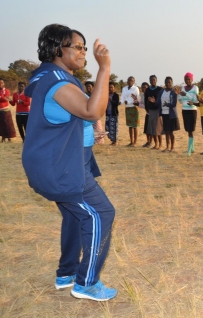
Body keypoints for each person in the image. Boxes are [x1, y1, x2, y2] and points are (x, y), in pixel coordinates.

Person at [22, 24, 116, 301]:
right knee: (102, 213)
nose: (84, 52)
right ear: (56, 49)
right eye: (77, 46)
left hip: (69, 160)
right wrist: (104, 68)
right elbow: (91, 108)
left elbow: (78, 114)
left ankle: (67, 273)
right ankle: (86, 283)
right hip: (61, 166)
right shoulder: (58, 81)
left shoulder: (50, 76)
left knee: (76, 216)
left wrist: (93, 129)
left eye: (85, 47)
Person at [151, 76, 178, 152]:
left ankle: (172, 147)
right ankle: (167, 147)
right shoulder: (161, 92)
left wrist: (167, 104)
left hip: (171, 114)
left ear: (172, 83)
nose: (167, 84)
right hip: (164, 113)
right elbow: (158, 103)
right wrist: (154, 102)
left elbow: (174, 104)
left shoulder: (173, 92)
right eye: (166, 82)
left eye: (169, 82)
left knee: (171, 131)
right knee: (166, 131)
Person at [176, 72, 199, 156]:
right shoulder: (182, 88)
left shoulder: (195, 88)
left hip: (192, 110)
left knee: (191, 130)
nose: (187, 81)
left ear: (192, 79)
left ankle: (188, 151)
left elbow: (195, 100)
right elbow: (181, 101)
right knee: (188, 130)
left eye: (189, 79)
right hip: (184, 110)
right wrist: (179, 95)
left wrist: (186, 94)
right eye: (186, 79)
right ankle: (192, 148)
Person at [144, 75, 163, 149]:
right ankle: (156, 144)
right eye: (151, 80)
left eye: (154, 80)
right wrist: (147, 108)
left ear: (156, 80)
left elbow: (161, 100)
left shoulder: (160, 89)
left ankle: (160, 144)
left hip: (157, 110)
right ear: (149, 81)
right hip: (150, 111)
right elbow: (146, 100)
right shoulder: (148, 90)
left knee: (158, 129)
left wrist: (156, 102)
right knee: (152, 129)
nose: (153, 81)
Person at [120, 76, 140, 146]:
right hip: (127, 108)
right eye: (129, 80)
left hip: (134, 108)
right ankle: (131, 141)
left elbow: (136, 99)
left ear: (134, 82)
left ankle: (135, 142)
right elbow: (122, 97)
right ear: (127, 81)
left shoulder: (136, 88)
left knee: (135, 126)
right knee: (130, 126)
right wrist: (121, 102)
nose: (130, 82)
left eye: (132, 81)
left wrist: (129, 102)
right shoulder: (124, 89)